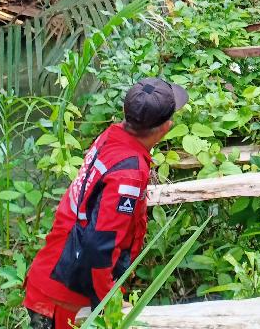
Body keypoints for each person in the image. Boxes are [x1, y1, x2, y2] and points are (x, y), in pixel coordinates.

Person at [23, 78, 188, 329]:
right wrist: (109, 304)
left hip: (53, 274)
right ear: (166, 127)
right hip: (64, 297)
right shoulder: (128, 175)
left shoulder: (112, 136)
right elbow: (99, 246)